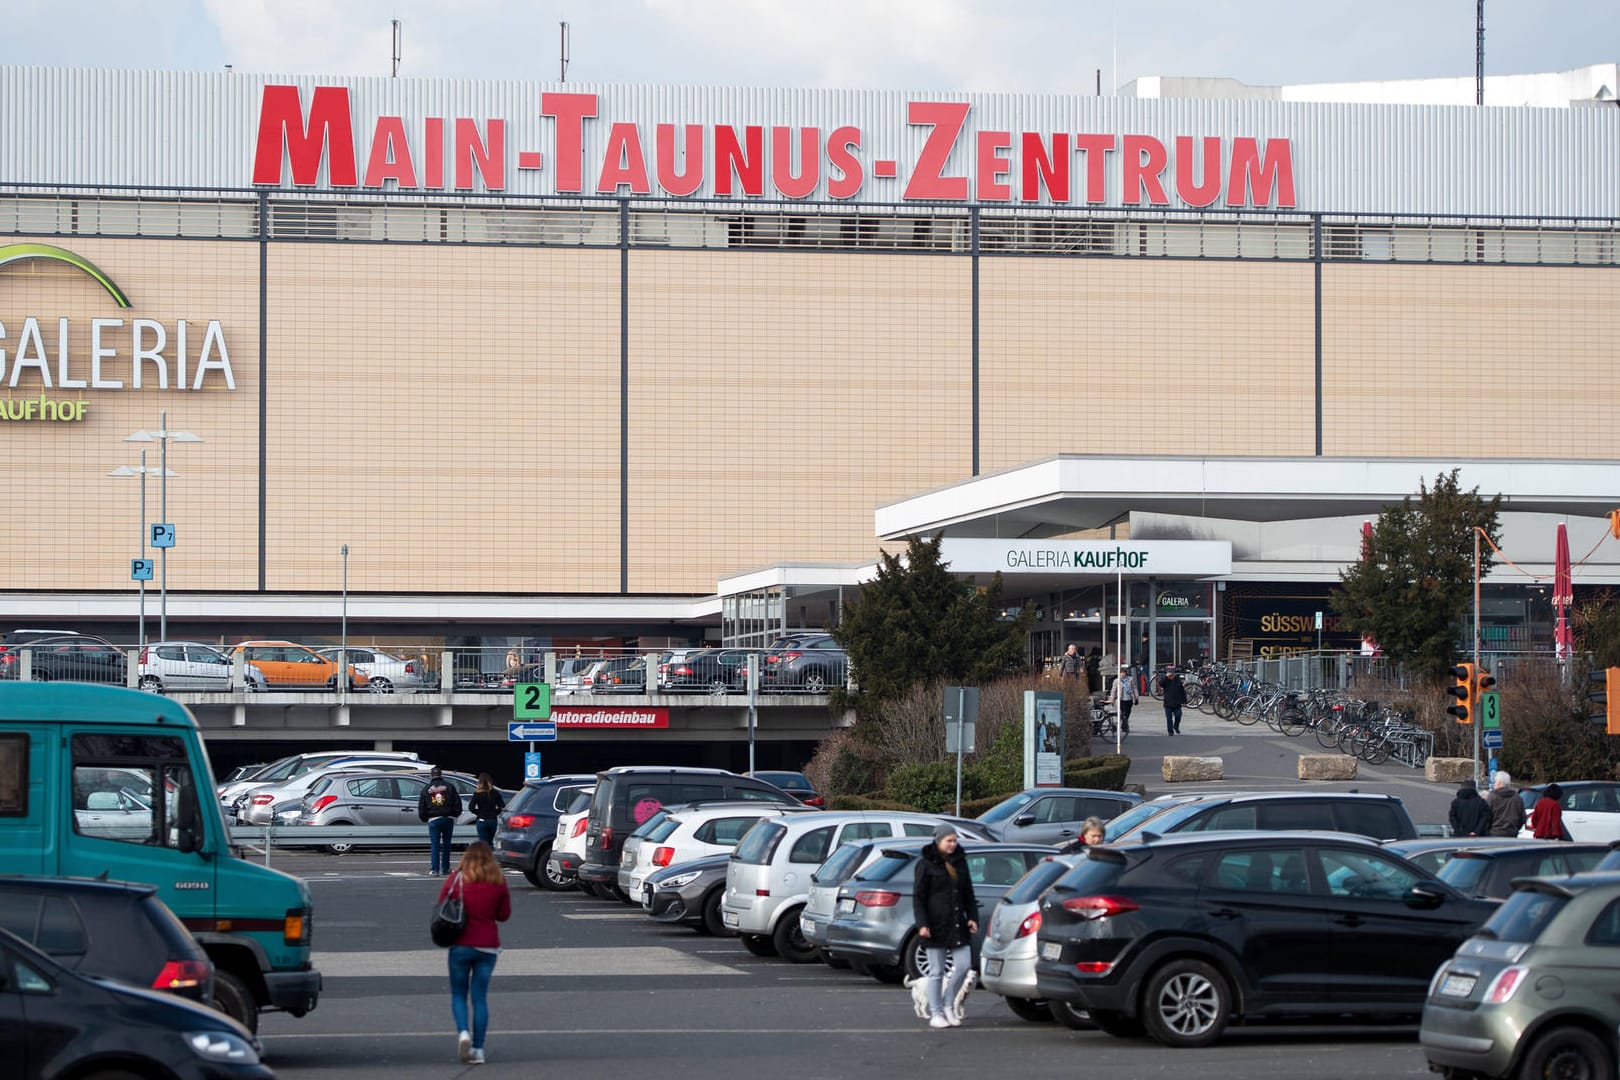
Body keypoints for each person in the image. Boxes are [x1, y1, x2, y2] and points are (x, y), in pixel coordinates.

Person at [439, 840, 511, 1066]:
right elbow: (504, 915)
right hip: (487, 947)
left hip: (460, 945)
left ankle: (463, 1033)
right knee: (479, 998)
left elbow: (442, 905)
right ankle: (479, 1050)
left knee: (459, 994)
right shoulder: (498, 881)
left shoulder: (457, 879)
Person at [912, 823, 978, 1030]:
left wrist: (972, 917)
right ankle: (936, 1012)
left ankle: (949, 1004)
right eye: (948, 841)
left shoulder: (961, 862)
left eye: (954, 840)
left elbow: (968, 892)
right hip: (935, 925)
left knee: (964, 965)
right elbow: (919, 897)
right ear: (938, 841)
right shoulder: (925, 864)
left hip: (958, 924)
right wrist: (922, 923)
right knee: (937, 971)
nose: (952, 844)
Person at [419, 767, 463, 875]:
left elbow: (422, 806)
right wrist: (454, 814)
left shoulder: (426, 788)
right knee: (447, 845)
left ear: (431, 776)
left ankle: (435, 870)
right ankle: (446, 868)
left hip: (433, 819)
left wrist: (425, 818)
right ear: (441, 775)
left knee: (435, 845)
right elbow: (457, 803)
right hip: (448, 818)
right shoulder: (450, 786)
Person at [1485, 771, 1527, 838]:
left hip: (1494, 833)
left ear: (1499, 783)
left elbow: (1486, 817)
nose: (1494, 784)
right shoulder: (1517, 798)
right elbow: (1522, 818)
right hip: (1512, 834)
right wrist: (1515, 828)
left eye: (1495, 781)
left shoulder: (1492, 797)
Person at [468, 773, 506, 847]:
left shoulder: (477, 794)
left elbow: (471, 808)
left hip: (481, 819)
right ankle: (491, 856)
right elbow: (502, 806)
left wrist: (478, 813)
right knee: (490, 842)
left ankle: (484, 857)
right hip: (492, 819)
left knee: (483, 843)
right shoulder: (495, 793)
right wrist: (495, 812)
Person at [1111, 665, 1136, 735]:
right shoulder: (1117, 681)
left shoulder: (1130, 679)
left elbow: (1134, 689)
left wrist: (1136, 697)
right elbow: (1113, 691)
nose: (1122, 674)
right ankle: (1124, 727)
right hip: (1121, 700)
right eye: (1121, 672)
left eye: (1124, 672)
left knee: (1128, 713)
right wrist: (1112, 699)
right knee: (1123, 713)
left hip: (1129, 699)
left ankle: (1124, 724)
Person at [1161, 668, 1186, 735]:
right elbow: (1161, 683)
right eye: (1169, 673)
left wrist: (1184, 701)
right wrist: (1166, 677)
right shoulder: (1165, 681)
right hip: (1168, 703)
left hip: (1177, 703)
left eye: (1172, 673)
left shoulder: (1178, 681)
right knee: (1169, 718)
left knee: (1178, 715)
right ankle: (1170, 731)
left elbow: (1182, 691)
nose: (1171, 675)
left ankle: (1176, 726)